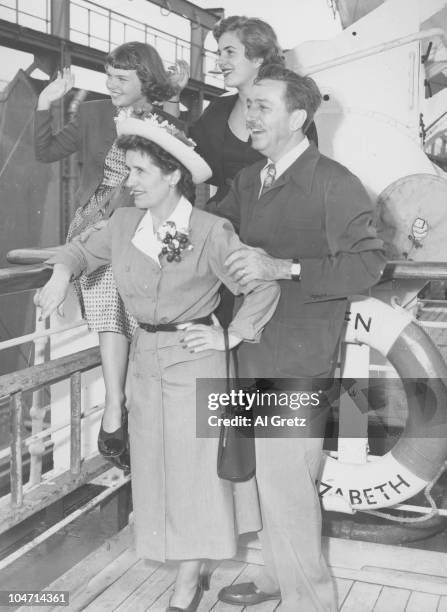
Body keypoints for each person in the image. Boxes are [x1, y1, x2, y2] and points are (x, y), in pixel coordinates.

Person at [34, 114, 280, 612]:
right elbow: (80, 250)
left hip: (195, 363)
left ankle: (187, 586)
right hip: (144, 362)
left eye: (140, 172)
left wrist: (230, 334)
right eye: (128, 172)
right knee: (155, 473)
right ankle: (183, 565)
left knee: (196, 478)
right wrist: (61, 275)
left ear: (172, 176)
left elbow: (263, 284)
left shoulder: (211, 230)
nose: (129, 182)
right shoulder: (125, 224)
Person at [212, 64, 386, 612]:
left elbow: (368, 265)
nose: (249, 115)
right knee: (264, 477)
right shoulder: (248, 180)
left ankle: (311, 600)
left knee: (288, 482)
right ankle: (273, 575)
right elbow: (210, 239)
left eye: (262, 106)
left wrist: (282, 268)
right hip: (248, 348)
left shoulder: (333, 181)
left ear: (298, 117)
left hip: (298, 353)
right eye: (247, 105)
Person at [34, 42, 186, 465]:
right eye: (109, 76)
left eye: (121, 78)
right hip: (93, 222)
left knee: (140, 314)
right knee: (106, 300)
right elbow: (45, 151)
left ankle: (132, 414)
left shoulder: (166, 124)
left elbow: (178, 188)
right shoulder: (94, 113)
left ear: (145, 81)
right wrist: (47, 104)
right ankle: (116, 407)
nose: (110, 84)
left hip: (141, 224)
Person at [189, 15, 317, 205]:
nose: (220, 62)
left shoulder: (290, 112)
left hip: (273, 221)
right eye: (219, 53)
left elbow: (305, 178)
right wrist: (172, 97)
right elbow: (187, 157)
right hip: (223, 219)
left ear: (257, 58)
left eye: (230, 52)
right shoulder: (217, 110)